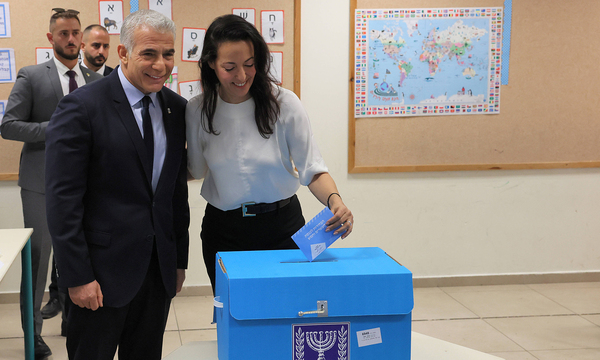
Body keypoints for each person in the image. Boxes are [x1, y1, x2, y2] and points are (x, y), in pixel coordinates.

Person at [45, 9, 189, 360]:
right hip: (99, 276)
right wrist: (77, 276)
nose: (161, 65)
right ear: (123, 53)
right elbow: (63, 201)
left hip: (156, 273)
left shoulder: (176, 109)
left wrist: (178, 260)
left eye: (168, 54)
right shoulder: (81, 107)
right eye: (149, 54)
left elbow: (174, 193)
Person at [186, 14, 354, 292]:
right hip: (225, 231)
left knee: (289, 313)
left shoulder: (284, 103)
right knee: (236, 315)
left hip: (282, 228)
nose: (241, 76)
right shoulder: (198, 109)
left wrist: (335, 201)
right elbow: (195, 168)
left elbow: (312, 169)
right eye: (230, 67)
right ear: (211, 64)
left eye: (249, 65)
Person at [0, 8, 102, 359]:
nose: (71, 39)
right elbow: (8, 125)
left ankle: (75, 323)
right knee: (39, 262)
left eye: (76, 33)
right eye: (63, 34)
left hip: (89, 187)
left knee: (84, 257)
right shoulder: (31, 76)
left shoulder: (94, 79)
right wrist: (55, 128)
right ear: (51, 38)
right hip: (41, 183)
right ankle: (34, 335)